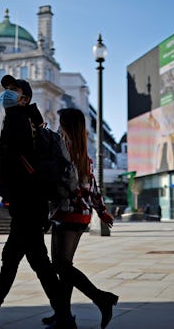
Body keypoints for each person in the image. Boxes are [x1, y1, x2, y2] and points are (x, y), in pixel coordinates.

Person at [0, 75, 74, 329]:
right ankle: (62, 315)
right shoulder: (32, 121)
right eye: (6, 89)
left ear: (24, 98)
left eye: (13, 90)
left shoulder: (17, 118)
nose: (7, 94)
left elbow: (14, 161)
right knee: (35, 260)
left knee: (17, 257)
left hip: (27, 200)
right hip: (32, 201)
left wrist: (7, 187)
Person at [44, 108, 117, 329]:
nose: (58, 126)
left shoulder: (64, 150)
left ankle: (102, 299)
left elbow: (67, 184)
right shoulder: (83, 153)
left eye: (60, 122)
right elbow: (93, 186)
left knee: (61, 265)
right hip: (81, 215)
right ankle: (63, 315)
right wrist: (101, 210)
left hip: (67, 212)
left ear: (66, 126)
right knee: (65, 265)